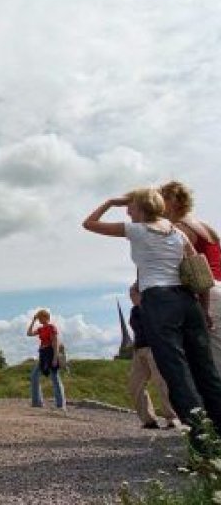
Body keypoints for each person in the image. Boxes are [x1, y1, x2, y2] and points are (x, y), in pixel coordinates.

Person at [82, 188, 221, 439]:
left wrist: (110, 201)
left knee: (176, 372)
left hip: (159, 301)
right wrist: (203, 310)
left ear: (141, 208)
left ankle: (203, 441)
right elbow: (200, 272)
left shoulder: (137, 230)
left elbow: (89, 224)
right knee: (206, 369)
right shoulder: (177, 232)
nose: (127, 211)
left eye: (130, 207)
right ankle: (219, 429)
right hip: (188, 301)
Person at [161, 180, 221, 375]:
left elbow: (178, 268)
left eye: (162, 199)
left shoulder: (178, 228)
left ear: (173, 201)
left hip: (205, 293)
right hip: (218, 286)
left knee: (210, 360)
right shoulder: (205, 227)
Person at [127, 284, 179, 429]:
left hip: (155, 348)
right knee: (135, 384)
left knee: (162, 383)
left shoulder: (153, 307)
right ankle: (148, 419)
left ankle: (172, 418)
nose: (131, 297)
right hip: (139, 349)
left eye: (133, 294)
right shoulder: (134, 311)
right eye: (130, 295)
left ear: (141, 294)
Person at [26, 309, 66, 409]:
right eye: (38, 317)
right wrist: (33, 320)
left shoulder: (51, 327)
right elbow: (29, 333)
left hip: (50, 352)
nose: (39, 319)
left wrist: (55, 358)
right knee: (34, 376)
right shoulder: (40, 329)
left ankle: (60, 405)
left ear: (46, 317)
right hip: (43, 354)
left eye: (40, 317)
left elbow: (55, 343)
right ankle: (37, 403)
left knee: (55, 378)